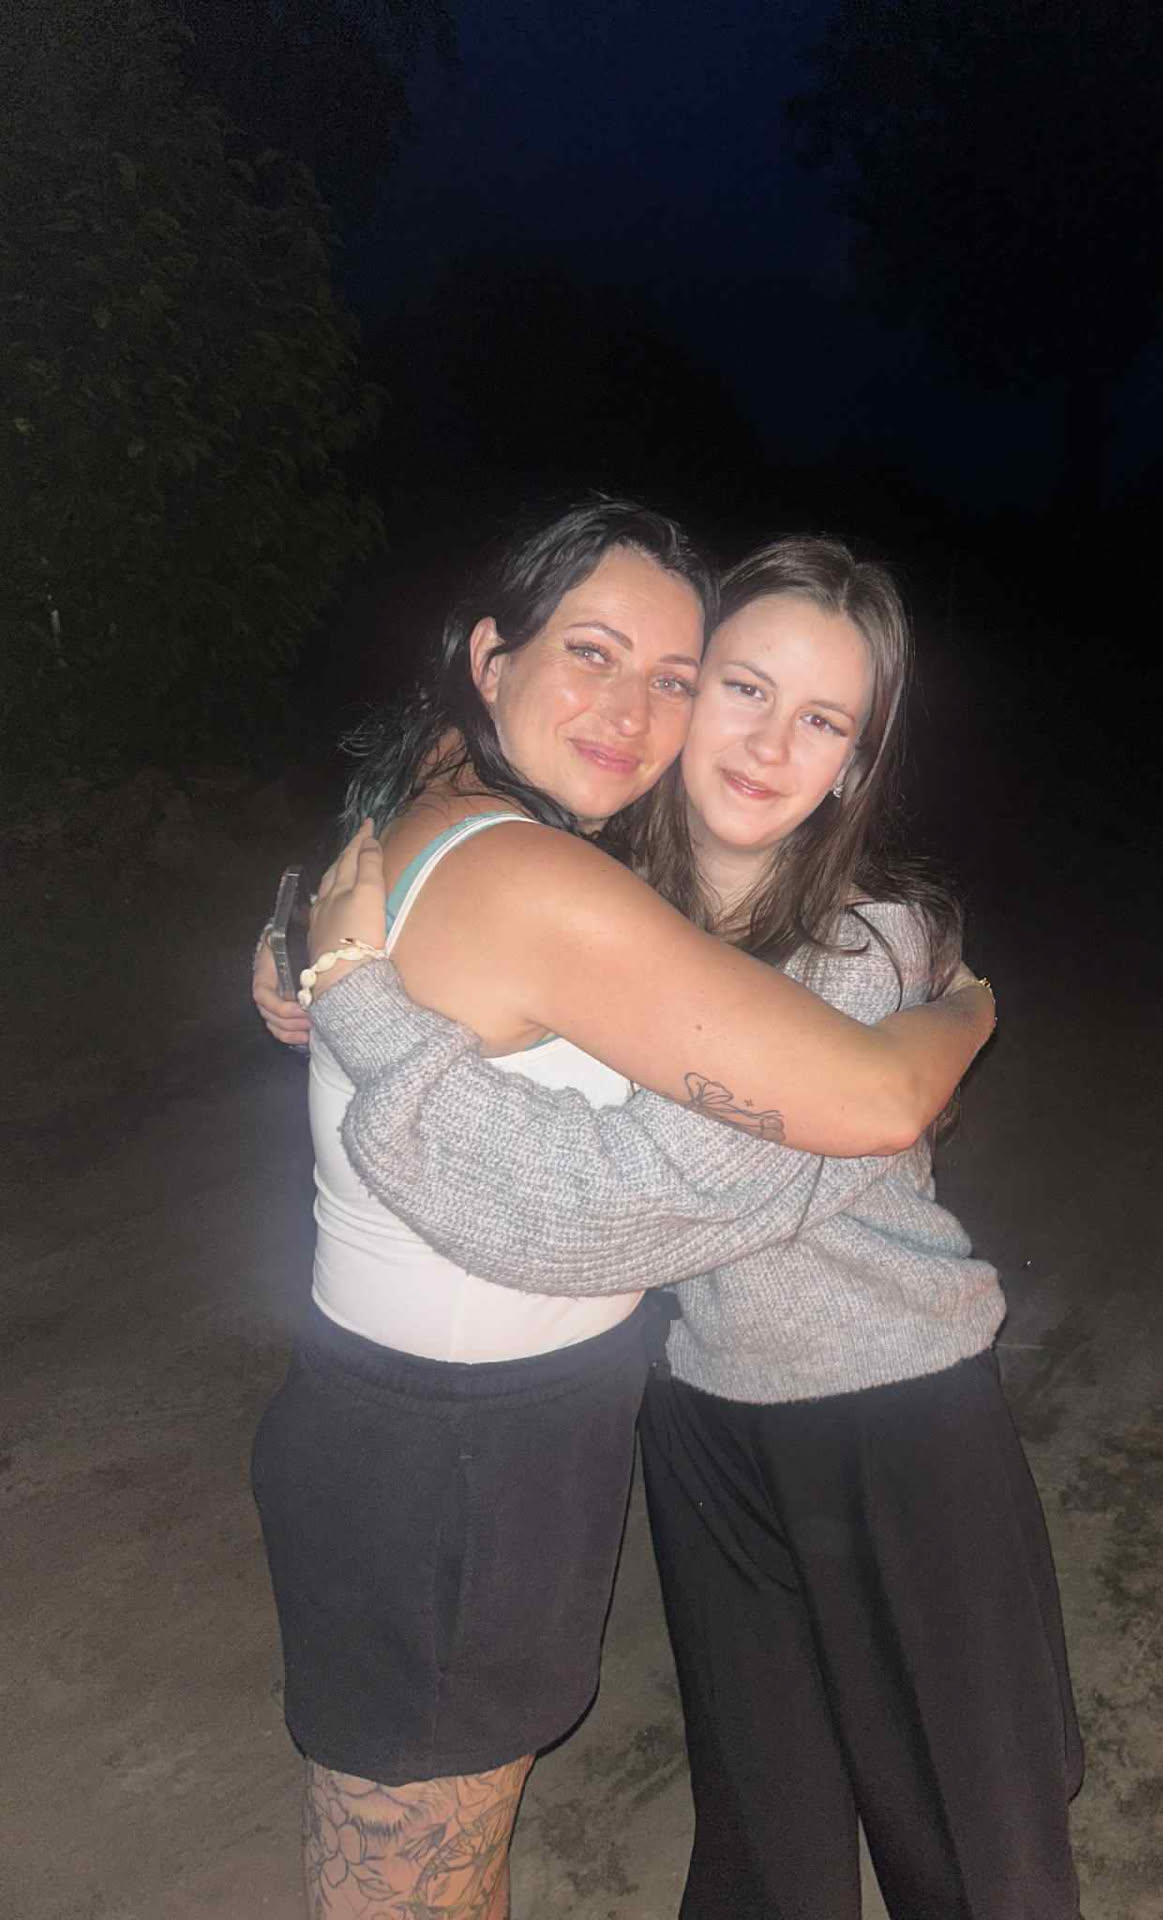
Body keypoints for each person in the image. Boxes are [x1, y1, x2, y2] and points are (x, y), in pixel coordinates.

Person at [256, 534, 1081, 1918]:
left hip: (890, 1413)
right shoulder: (610, 890)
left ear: (855, 765)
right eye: (739, 688)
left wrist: (361, 1005)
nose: (768, 743)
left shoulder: (864, 956)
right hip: (699, 1411)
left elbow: (615, 1210)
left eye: (823, 721)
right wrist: (295, 950)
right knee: (764, 1837)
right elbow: (433, 867)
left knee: (972, 1846)